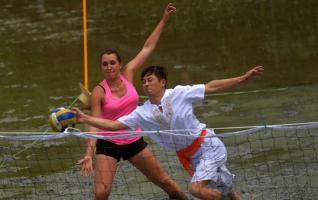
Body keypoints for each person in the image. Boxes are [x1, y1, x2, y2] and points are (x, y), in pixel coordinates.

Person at [74, 65, 264, 200]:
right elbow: (114, 125)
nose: (146, 84)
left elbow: (211, 86)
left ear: (162, 82)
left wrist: (242, 78)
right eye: (143, 82)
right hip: (188, 157)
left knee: (197, 190)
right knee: (227, 191)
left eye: (150, 80)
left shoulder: (180, 93)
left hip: (208, 146)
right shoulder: (142, 112)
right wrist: (86, 119)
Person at [77, 4, 188, 200]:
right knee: (101, 193)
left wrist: (164, 19)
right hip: (108, 143)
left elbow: (148, 47)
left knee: (166, 182)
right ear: (101, 67)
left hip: (133, 139)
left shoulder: (128, 74)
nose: (109, 67)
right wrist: (89, 153)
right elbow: (93, 124)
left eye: (113, 63)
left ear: (120, 64)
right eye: (105, 64)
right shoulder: (98, 91)